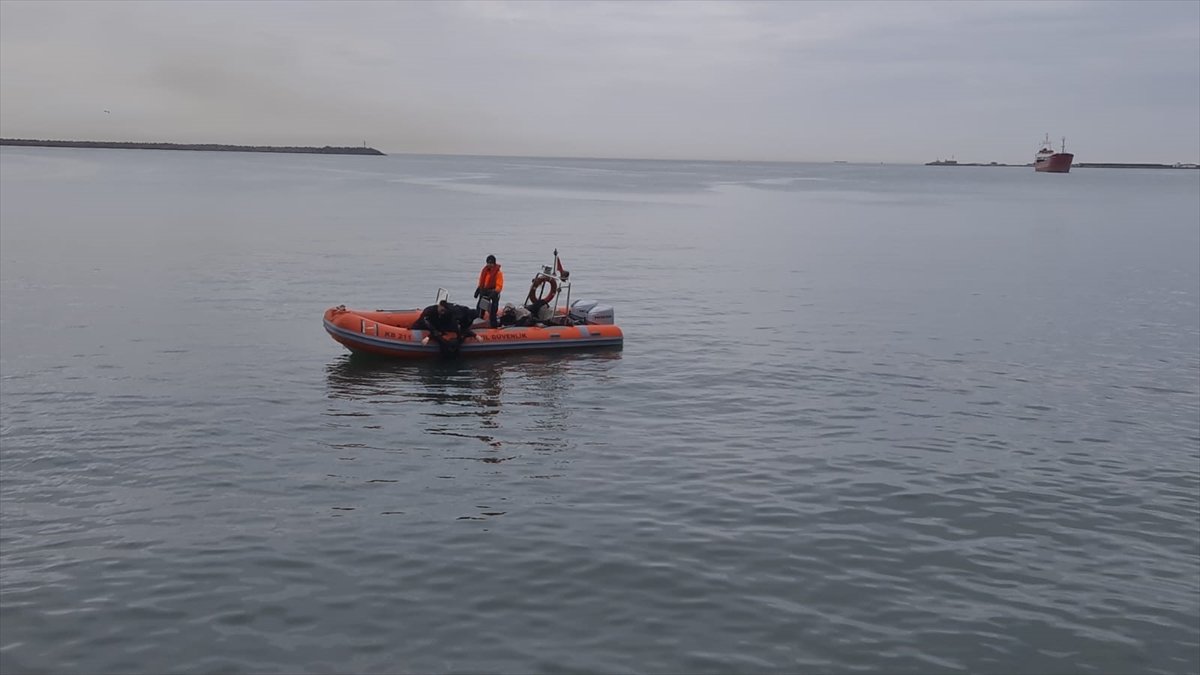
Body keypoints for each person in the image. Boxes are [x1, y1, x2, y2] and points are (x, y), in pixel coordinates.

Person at [474, 254, 504, 329]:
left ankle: (494, 326)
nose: (489, 265)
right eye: (488, 263)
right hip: (484, 291)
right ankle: (479, 322)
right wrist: (478, 290)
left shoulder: (498, 273)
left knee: (493, 310)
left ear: (494, 264)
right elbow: (481, 281)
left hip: (494, 292)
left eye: (491, 263)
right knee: (480, 308)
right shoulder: (484, 271)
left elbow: (499, 285)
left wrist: (494, 293)